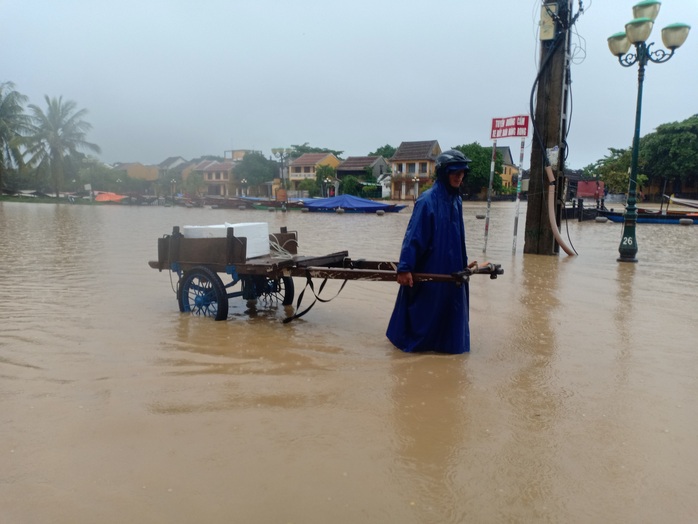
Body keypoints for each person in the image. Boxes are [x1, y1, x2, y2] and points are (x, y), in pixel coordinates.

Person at [386, 149, 476, 354]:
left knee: (450, 312)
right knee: (426, 312)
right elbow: (414, 236)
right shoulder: (427, 201)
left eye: (462, 172)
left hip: (453, 268)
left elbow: (458, 237)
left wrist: (463, 263)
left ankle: (448, 348)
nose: (459, 176)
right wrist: (405, 267)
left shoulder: (457, 201)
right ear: (444, 173)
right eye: (455, 172)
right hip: (431, 266)